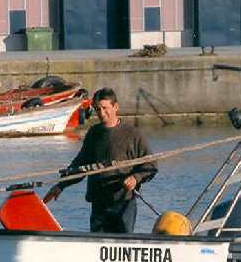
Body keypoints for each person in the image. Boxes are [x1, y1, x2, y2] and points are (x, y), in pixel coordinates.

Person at [43, 87, 157, 233]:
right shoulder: (94, 134)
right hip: (99, 203)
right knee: (96, 246)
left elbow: (151, 165)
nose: (101, 113)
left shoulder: (133, 134)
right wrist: (60, 186)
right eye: (97, 109)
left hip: (124, 202)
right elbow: (80, 165)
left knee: (122, 247)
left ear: (115, 107)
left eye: (105, 108)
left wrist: (136, 178)